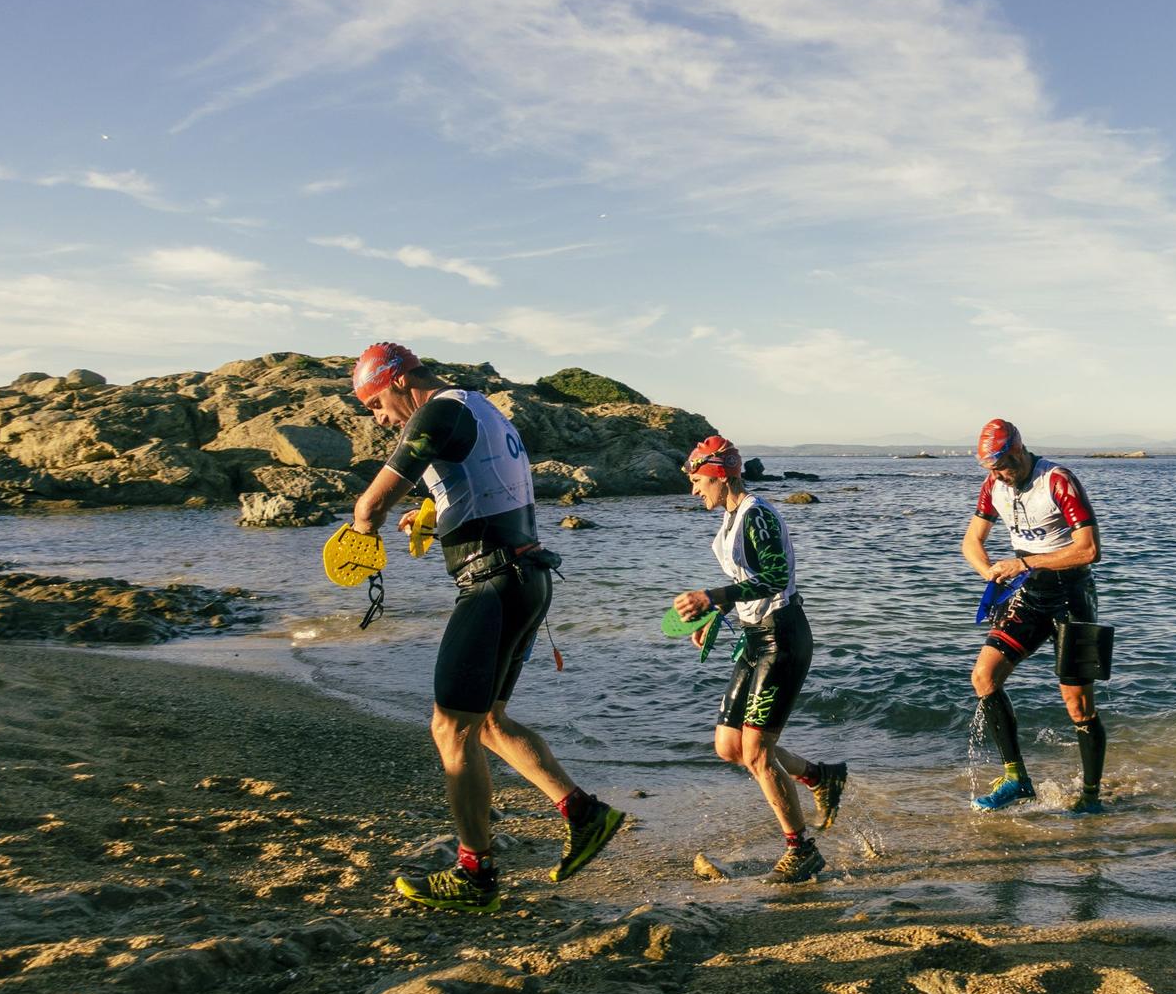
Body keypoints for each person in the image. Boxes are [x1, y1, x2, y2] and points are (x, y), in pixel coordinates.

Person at [345, 343, 625, 912]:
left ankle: (474, 873)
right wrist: (431, 514)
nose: (380, 419)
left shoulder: (435, 411)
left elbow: (370, 505)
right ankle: (585, 814)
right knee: (490, 723)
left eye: (375, 405)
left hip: (492, 584)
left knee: (451, 730)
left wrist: (362, 526)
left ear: (397, 382)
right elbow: (487, 485)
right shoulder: (483, 409)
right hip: (525, 579)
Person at [670, 435, 848, 884]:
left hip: (783, 637)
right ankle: (819, 776)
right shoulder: (730, 520)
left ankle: (801, 849)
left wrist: (713, 595)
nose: (694, 490)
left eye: (696, 480)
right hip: (754, 638)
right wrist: (717, 612)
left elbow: (776, 577)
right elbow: (748, 579)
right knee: (729, 747)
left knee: (757, 753)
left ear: (719, 473)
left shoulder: (758, 514)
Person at [959, 418, 1108, 815]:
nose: (1000, 475)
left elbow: (1089, 549)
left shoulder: (1057, 480)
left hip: (1071, 595)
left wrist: (1024, 561)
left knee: (1078, 706)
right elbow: (971, 541)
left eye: (1004, 464)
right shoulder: (994, 485)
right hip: (1027, 595)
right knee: (984, 677)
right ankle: (1016, 780)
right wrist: (988, 569)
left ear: (1020, 450)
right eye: (992, 468)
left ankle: (1091, 796)